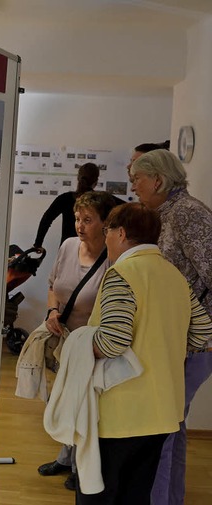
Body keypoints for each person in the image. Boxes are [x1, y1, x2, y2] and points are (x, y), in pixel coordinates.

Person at [76, 203, 212, 504]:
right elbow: (203, 332)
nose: (106, 238)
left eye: (108, 231)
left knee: (99, 495)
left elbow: (113, 341)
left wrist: (79, 345)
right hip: (164, 411)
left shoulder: (121, 274)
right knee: (136, 495)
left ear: (120, 233)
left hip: (121, 412)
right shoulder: (175, 276)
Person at [128, 149, 212, 505]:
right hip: (173, 340)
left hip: (188, 343)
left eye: (137, 179)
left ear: (159, 180)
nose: (133, 187)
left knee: (160, 429)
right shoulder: (165, 214)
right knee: (170, 429)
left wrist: (199, 334)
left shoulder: (188, 213)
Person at [36, 191, 119, 491]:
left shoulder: (113, 258)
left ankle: (78, 466)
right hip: (63, 341)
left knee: (85, 407)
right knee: (61, 400)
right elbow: (52, 285)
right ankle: (64, 456)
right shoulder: (69, 246)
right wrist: (52, 311)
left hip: (92, 346)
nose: (79, 226)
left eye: (87, 220)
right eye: (76, 219)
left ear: (106, 224)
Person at [33, 162, 100, 250]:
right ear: (96, 182)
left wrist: (38, 243)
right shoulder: (101, 200)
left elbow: (46, 219)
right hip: (92, 251)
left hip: (67, 250)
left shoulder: (65, 198)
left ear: (78, 178)